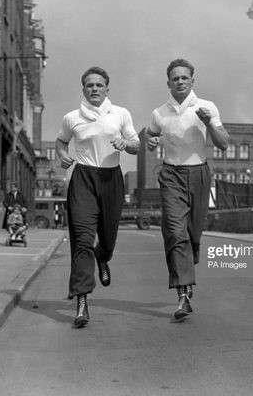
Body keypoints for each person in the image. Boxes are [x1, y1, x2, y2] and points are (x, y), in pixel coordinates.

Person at [145, 59, 230, 321]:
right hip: (171, 174)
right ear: (168, 82)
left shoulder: (207, 107)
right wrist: (151, 141)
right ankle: (183, 295)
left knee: (192, 233)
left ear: (193, 80)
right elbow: (148, 136)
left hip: (199, 174)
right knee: (173, 231)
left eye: (184, 78)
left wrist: (210, 123)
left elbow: (224, 143)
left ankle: (192, 252)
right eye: (175, 78)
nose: (180, 82)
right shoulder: (160, 113)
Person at [56, 66, 140, 328]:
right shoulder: (72, 117)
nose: (94, 89)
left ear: (107, 88)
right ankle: (81, 301)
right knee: (82, 239)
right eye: (89, 85)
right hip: (82, 179)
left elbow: (136, 145)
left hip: (111, 179)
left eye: (99, 85)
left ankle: (102, 256)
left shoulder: (120, 114)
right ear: (83, 89)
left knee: (108, 237)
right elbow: (61, 142)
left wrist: (126, 145)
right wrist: (62, 155)